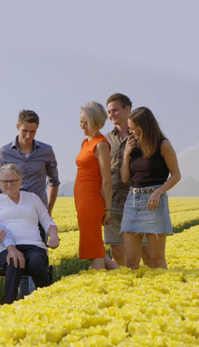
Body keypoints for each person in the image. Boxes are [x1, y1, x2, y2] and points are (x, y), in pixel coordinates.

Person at [0, 109, 60, 296]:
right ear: (17, 127)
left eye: (33, 132)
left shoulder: (46, 151)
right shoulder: (4, 151)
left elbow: (54, 181)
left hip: (36, 212)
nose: (28, 136)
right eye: (24, 131)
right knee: (17, 261)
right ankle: (24, 301)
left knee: (36, 260)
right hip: (11, 213)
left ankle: (37, 300)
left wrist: (48, 211)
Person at [0, 163, 60, 304]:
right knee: (14, 261)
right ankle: (9, 306)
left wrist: (54, 235)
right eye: (4, 182)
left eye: (13, 181)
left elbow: (47, 222)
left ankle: (47, 303)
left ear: (20, 181)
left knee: (37, 262)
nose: (9, 185)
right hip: (5, 248)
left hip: (33, 246)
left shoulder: (32, 198)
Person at [121, 107, 181, 269]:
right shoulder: (132, 145)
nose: (130, 131)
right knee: (131, 261)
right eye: (129, 128)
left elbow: (176, 175)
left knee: (157, 258)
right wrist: (126, 155)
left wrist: (158, 192)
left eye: (133, 128)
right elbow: (125, 178)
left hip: (154, 204)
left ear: (145, 126)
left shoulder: (163, 145)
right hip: (132, 202)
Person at [105, 93, 152, 267]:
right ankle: (128, 286)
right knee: (116, 249)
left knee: (146, 250)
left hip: (137, 200)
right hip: (114, 201)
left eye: (115, 110)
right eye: (109, 112)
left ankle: (149, 285)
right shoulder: (105, 139)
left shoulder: (142, 136)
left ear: (127, 109)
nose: (111, 115)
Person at [74, 102, 118, 271]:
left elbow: (107, 181)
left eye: (86, 122)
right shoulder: (85, 142)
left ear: (96, 122)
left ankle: (97, 285)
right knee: (96, 247)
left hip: (92, 200)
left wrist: (107, 210)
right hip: (82, 199)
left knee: (93, 248)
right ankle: (126, 279)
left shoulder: (101, 144)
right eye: (81, 121)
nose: (82, 126)